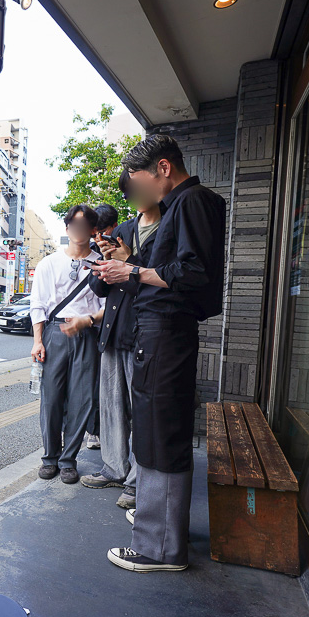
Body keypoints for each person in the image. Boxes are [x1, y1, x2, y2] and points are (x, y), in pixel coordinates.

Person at [92, 135, 225, 572]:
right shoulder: (180, 206)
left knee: (160, 430)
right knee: (153, 428)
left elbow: (194, 275)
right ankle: (158, 523)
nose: (137, 194)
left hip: (166, 333)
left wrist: (133, 269)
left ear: (163, 168)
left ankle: (159, 547)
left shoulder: (192, 202)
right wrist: (129, 268)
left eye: (139, 182)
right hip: (158, 333)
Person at [82, 174, 162, 510]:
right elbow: (99, 288)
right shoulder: (124, 229)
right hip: (113, 331)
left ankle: (136, 481)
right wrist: (102, 262)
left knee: (139, 410)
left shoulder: (166, 230)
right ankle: (115, 467)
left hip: (144, 332)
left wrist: (129, 262)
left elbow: (162, 282)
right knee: (111, 406)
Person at [30, 205, 106, 485]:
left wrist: (86, 320)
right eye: (74, 226)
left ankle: (68, 461)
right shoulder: (48, 263)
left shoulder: (101, 264)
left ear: (93, 231)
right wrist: (38, 340)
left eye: (85, 227)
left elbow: (108, 308)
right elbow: (37, 304)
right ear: (67, 229)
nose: (79, 232)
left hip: (87, 334)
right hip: (55, 332)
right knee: (51, 399)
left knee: (82, 400)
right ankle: (50, 457)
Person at [84, 203, 121, 451]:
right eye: (93, 233)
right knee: (89, 383)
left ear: (113, 228)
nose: (97, 238)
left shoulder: (123, 250)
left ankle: (101, 431)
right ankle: (91, 429)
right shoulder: (88, 252)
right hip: (90, 326)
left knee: (108, 385)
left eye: (101, 232)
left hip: (112, 326)